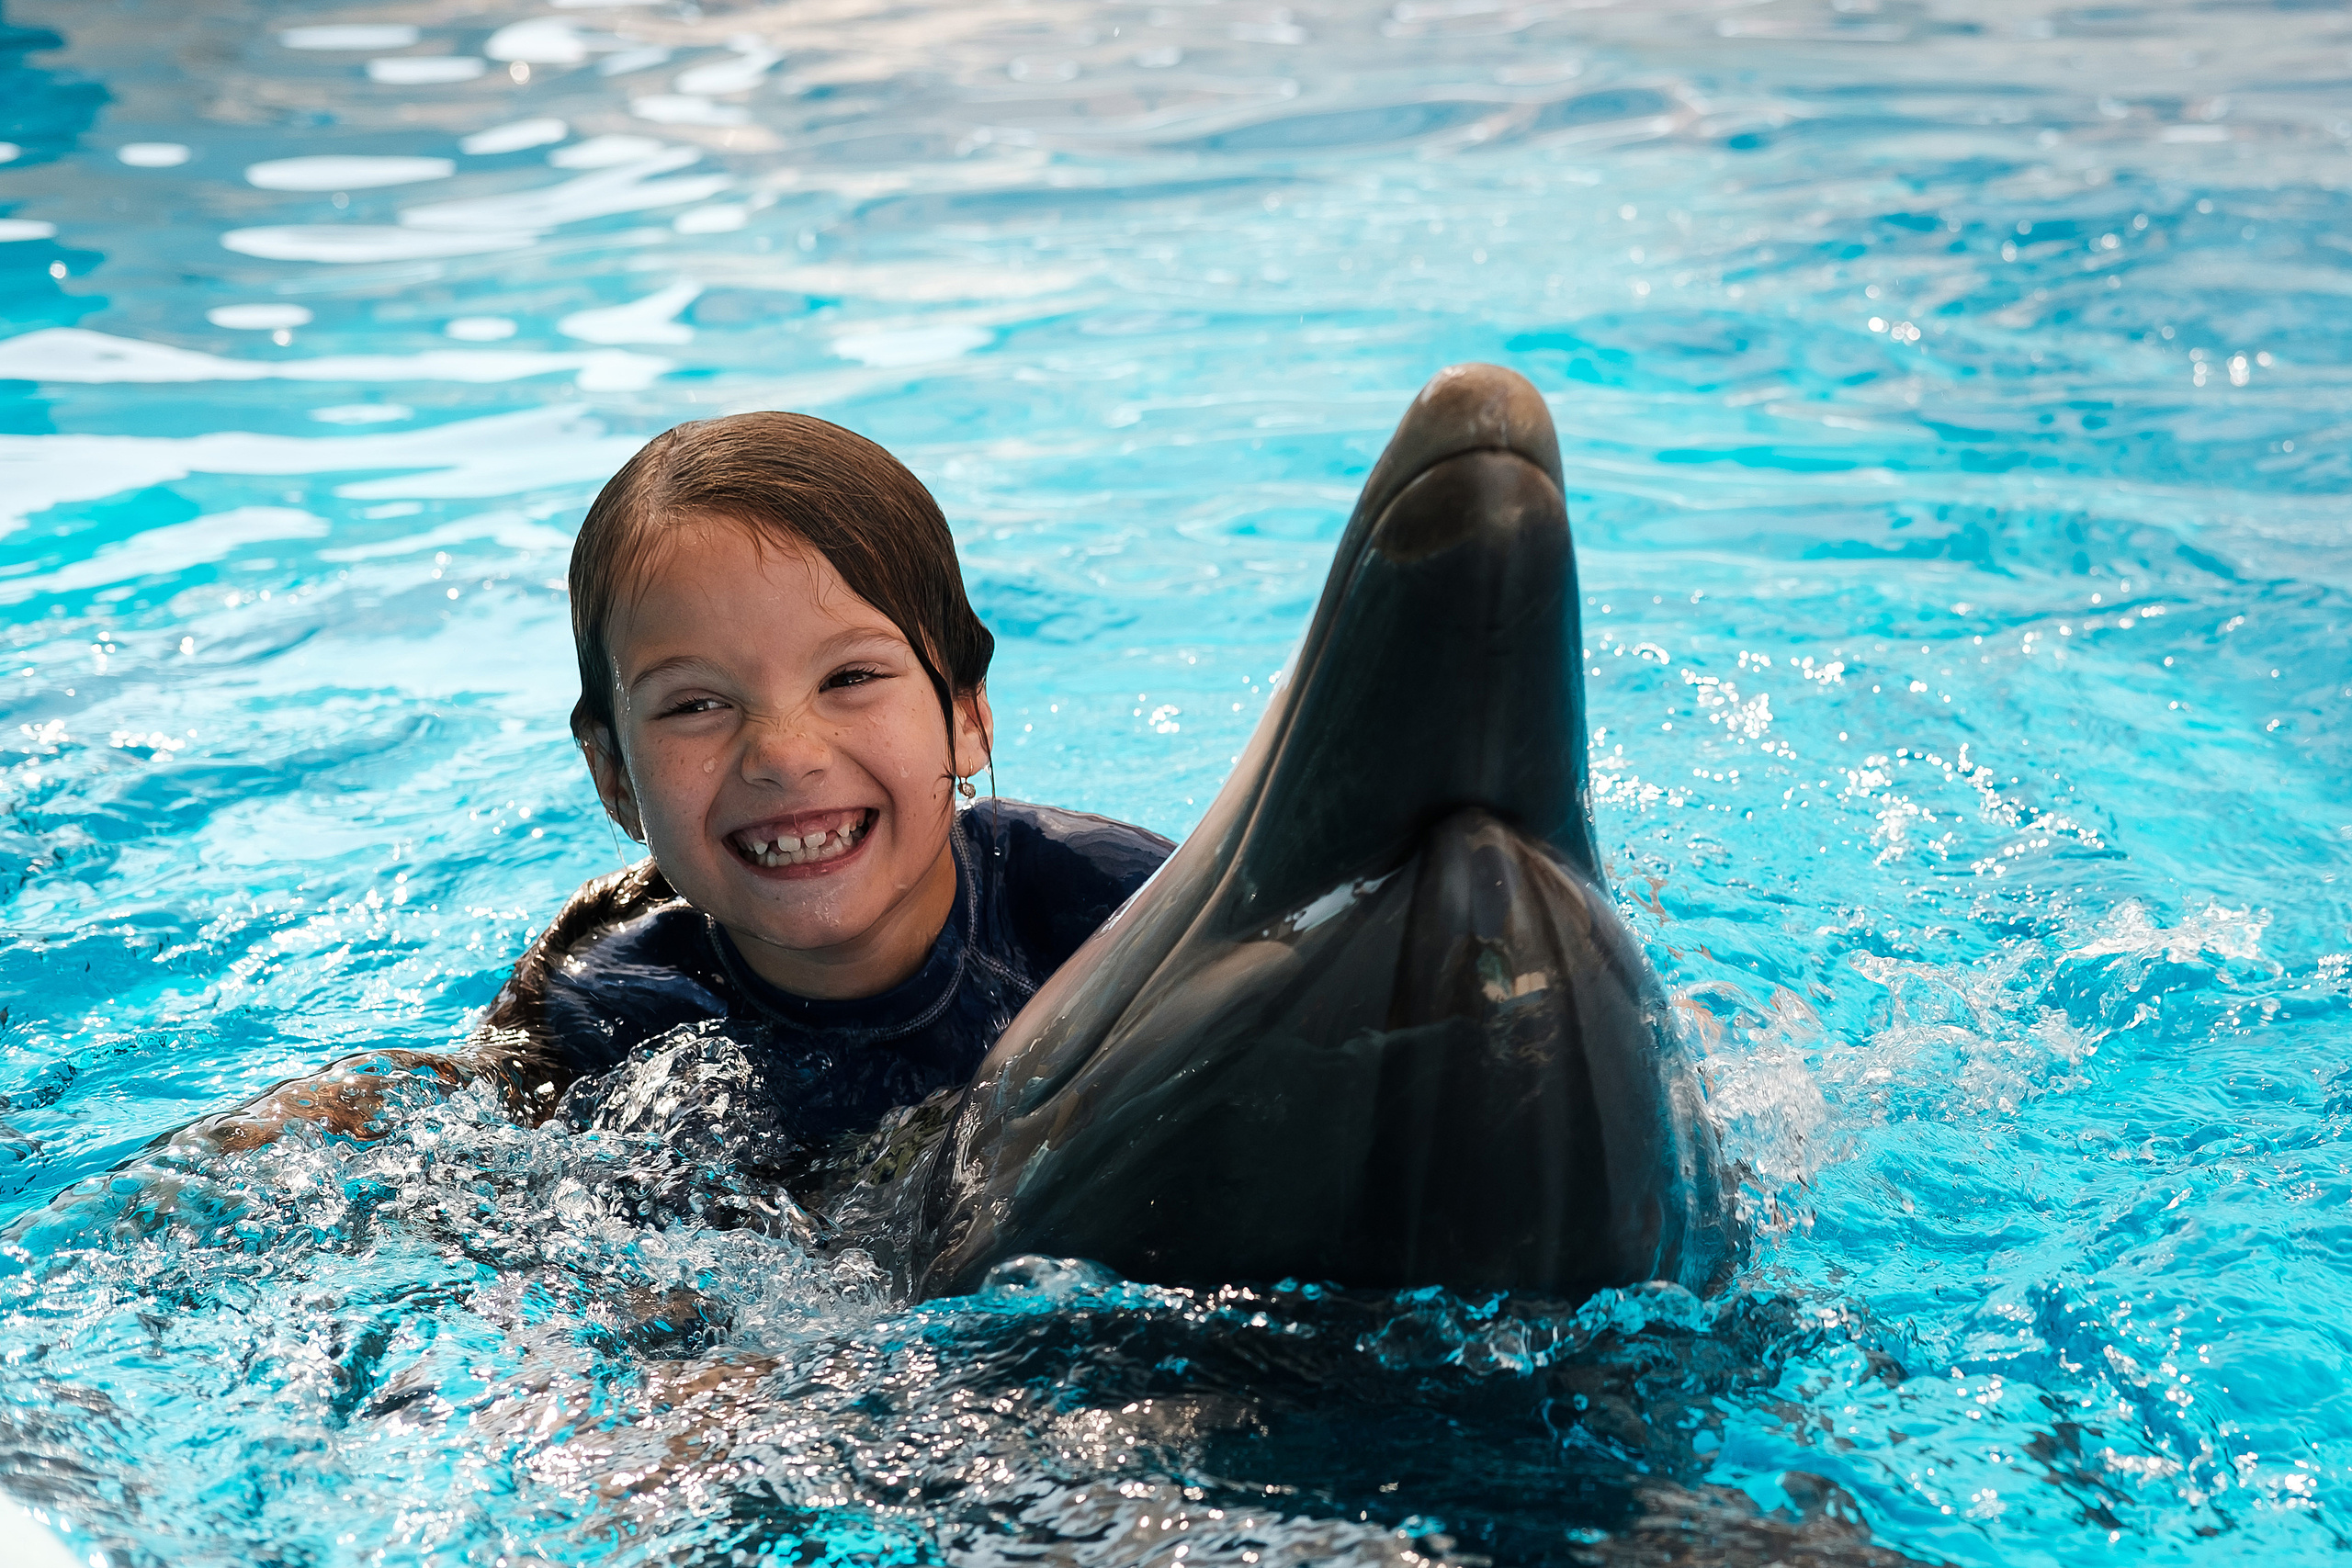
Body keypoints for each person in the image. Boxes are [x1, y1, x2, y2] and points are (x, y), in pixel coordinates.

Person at [184, 412, 1172, 1179]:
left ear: (965, 714)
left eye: (849, 679)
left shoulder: (1104, 908)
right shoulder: (617, 1015)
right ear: (613, 776)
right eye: (697, 704)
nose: (783, 754)